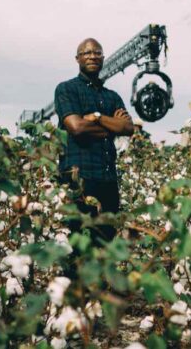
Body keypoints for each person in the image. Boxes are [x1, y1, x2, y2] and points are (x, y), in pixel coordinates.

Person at [54, 38, 133, 245]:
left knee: (105, 245)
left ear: (103, 58)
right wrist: (110, 126)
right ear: (77, 58)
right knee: (78, 244)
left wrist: (96, 117)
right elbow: (76, 127)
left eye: (97, 53)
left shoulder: (112, 96)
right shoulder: (66, 89)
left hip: (107, 181)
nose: (92, 56)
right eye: (86, 53)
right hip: (79, 180)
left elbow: (127, 128)